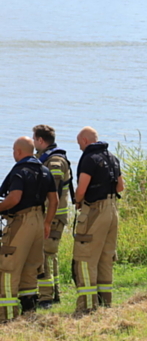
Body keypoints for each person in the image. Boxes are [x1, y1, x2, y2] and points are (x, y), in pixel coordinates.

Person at [0, 137, 58, 321]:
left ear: (18, 151)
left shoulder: (20, 171)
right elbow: (54, 200)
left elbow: (15, 198)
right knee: (31, 268)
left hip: (21, 221)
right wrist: (47, 222)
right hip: (38, 221)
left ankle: (7, 316)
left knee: (9, 267)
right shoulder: (45, 170)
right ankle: (29, 312)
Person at [73, 127, 124, 314]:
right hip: (112, 211)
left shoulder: (89, 158)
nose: (80, 148)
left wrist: (78, 201)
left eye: (79, 144)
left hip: (95, 211)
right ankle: (105, 302)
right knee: (105, 256)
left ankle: (86, 305)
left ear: (85, 141)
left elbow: (81, 189)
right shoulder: (112, 157)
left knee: (85, 257)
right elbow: (120, 186)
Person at [33, 125, 73, 309]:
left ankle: (46, 297)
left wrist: (46, 221)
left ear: (41, 140)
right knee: (50, 255)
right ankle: (54, 293)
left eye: (35, 140)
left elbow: (52, 194)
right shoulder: (46, 158)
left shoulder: (55, 162)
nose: (34, 144)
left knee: (45, 256)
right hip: (53, 217)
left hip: (53, 217)